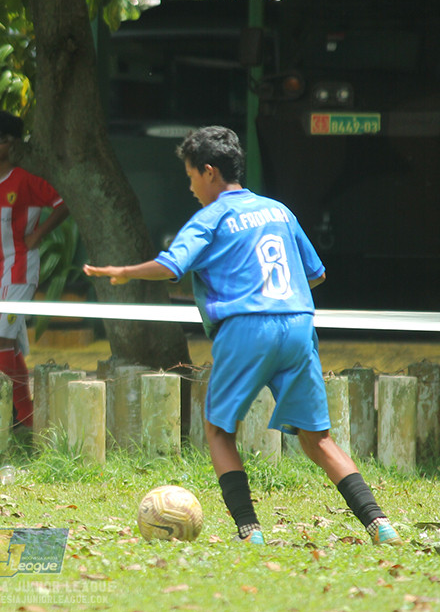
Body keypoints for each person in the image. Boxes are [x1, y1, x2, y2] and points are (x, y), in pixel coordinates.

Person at [84, 126, 402, 546]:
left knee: (219, 431)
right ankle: (380, 524)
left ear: (209, 172)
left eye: (191, 177)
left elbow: (171, 265)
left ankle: (250, 531)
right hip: (298, 323)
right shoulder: (278, 211)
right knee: (319, 440)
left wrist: (124, 272)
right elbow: (316, 274)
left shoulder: (211, 217)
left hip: (246, 328)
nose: (191, 188)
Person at [0, 111, 70, 428]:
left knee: (1, 341)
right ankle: (25, 416)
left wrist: (38, 234)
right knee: (7, 343)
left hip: (19, 270)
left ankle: (4, 418)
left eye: (1, 139)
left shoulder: (27, 178)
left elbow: (63, 203)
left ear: (15, 142)